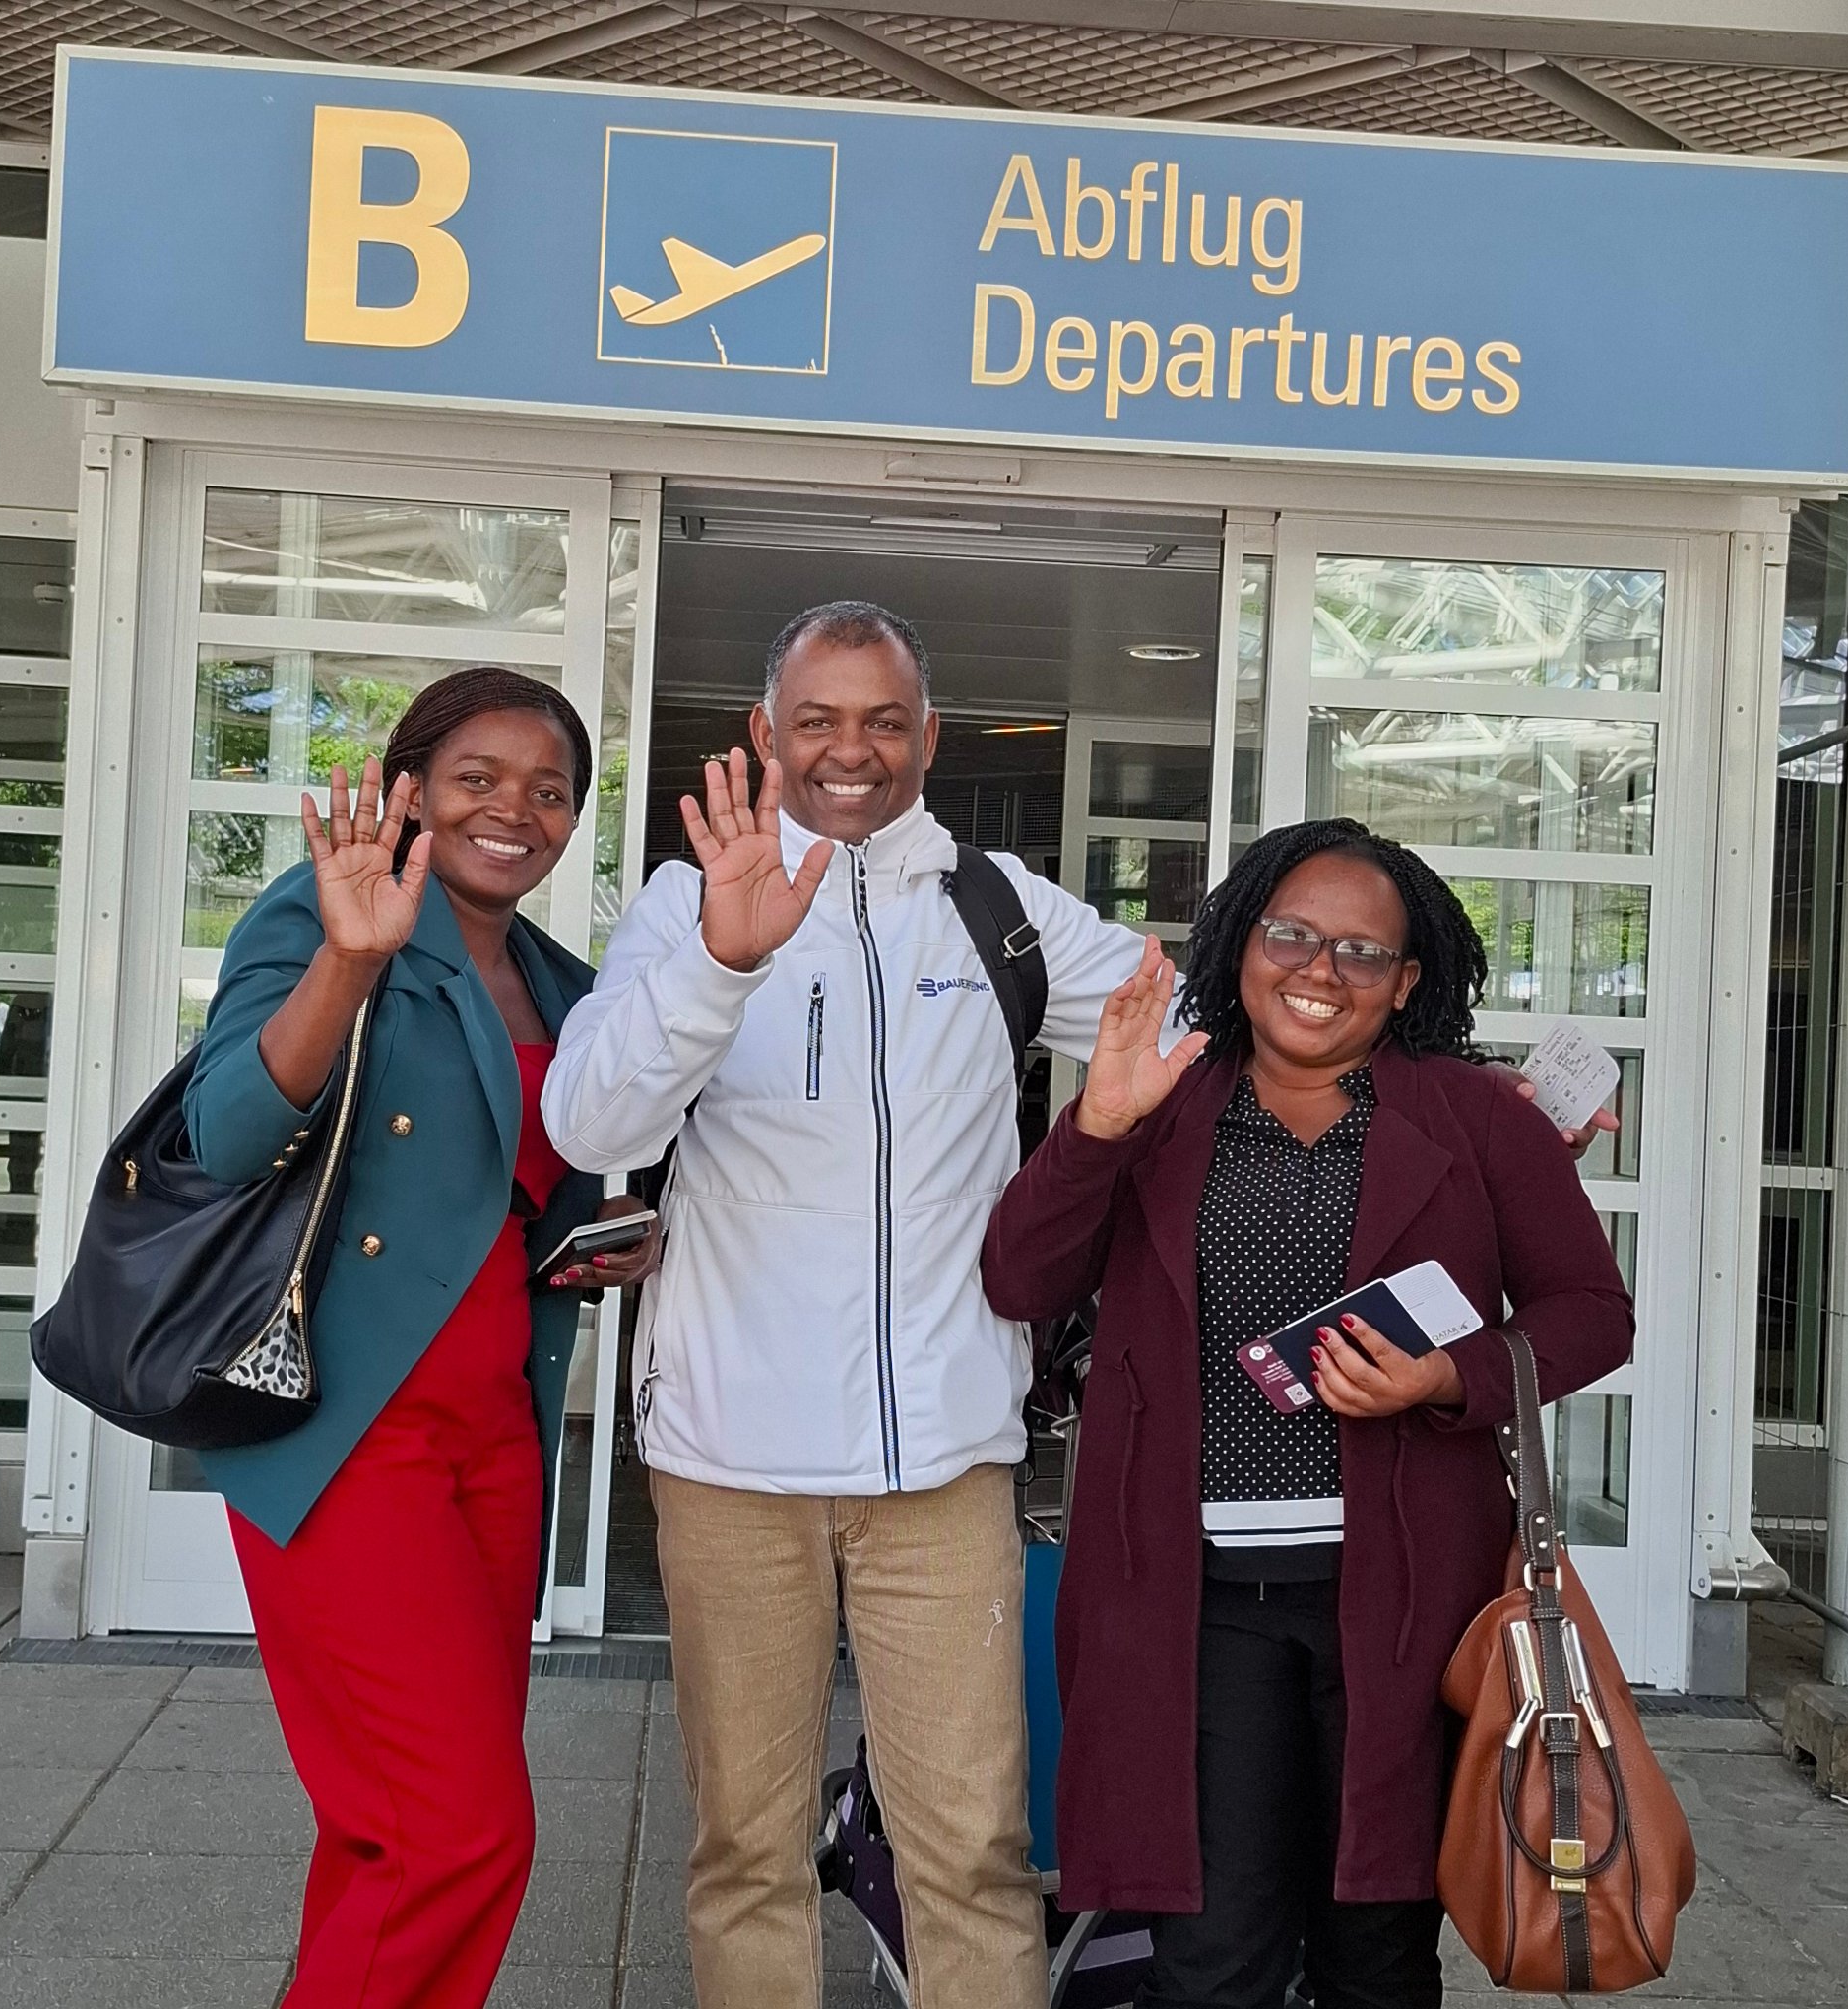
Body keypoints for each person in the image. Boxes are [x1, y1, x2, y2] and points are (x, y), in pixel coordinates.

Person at [541, 602, 1146, 2009]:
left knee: (973, 1852)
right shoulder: (686, 907)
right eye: (817, 720)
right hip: (728, 1463)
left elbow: (1198, 1029)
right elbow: (587, 1120)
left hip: (942, 1465)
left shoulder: (998, 908)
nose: (851, 750)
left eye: (883, 720)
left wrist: (1451, 1099)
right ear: (766, 734)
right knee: (746, 1851)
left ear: (928, 737)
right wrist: (723, 960)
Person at [979, 817, 1636, 2009]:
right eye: (1291, 934)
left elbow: (1592, 1312)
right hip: (1193, 1603)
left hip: (1403, 1608)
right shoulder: (1162, 1105)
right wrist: (1096, 1128)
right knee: (1209, 1958)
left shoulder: (1474, 1120)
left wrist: (1450, 1377)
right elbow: (1020, 1282)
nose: (1320, 971)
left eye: (1362, 952)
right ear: (1237, 945)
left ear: (1409, 982)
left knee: (1376, 1953)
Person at [183, 668, 660, 2009]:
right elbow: (225, 1137)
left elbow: (545, 1190)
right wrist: (349, 958)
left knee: (391, 1824)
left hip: (498, 1440)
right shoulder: (326, 916)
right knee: (464, 1830)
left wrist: (624, 1234)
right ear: (411, 789)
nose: (517, 810)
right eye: (478, 780)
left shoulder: (569, 981)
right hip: (349, 1434)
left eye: (549, 789)